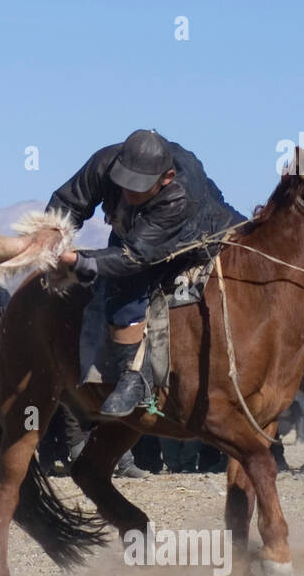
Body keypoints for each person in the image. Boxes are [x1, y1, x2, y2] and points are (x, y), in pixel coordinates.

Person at [47, 129, 243, 416]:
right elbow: (67, 203)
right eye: (125, 182)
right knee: (118, 291)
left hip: (196, 236)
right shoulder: (105, 162)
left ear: (167, 179)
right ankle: (134, 373)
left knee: (126, 284)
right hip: (135, 233)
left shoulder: (180, 196)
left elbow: (134, 257)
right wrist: (52, 236)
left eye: (139, 186)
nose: (128, 191)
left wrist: (78, 261)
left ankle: (135, 376)